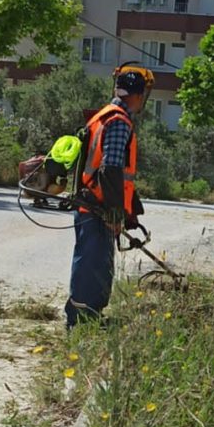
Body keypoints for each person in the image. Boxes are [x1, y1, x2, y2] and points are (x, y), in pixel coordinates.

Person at [65, 62, 153, 328]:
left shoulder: (104, 115)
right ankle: (82, 320)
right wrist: (115, 210)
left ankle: (86, 316)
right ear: (139, 96)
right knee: (93, 265)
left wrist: (129, 211)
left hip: (93, 203)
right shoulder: (118, 122)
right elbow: (111, 168)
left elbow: (117, 172)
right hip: (99, 208)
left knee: (93, 263)